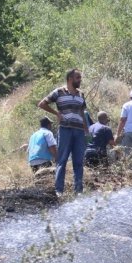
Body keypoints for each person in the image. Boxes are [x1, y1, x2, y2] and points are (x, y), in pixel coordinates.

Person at [39, 68, 88, 196]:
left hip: (79, 131)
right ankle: (59, 190)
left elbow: (82, 113)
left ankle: (78, 191)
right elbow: (42, 104)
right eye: (78, 78)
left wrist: (86, 130)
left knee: (78, 161)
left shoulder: (81, 94)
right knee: (62, 160)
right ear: (70, 79)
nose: (80, 80)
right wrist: (56, 113)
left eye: (80, 78)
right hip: (65, 129)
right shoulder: (58, 92)